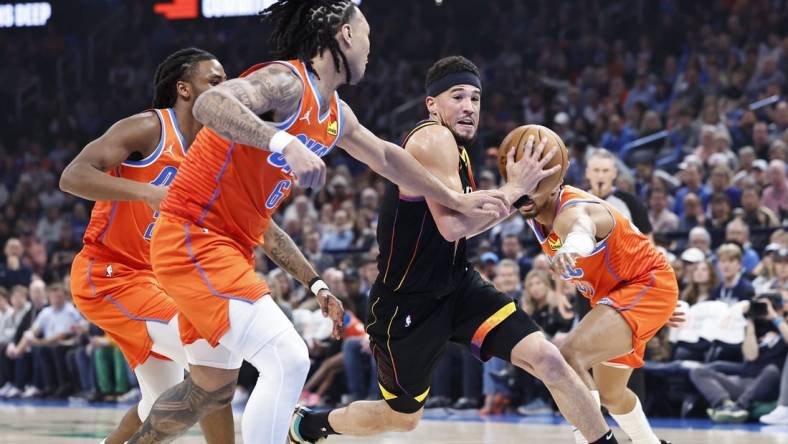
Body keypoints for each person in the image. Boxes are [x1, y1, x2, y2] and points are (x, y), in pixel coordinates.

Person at [128, 3, 508, 444]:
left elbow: (387, 157)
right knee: (287, 357)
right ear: (345, 35)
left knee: (207, 390)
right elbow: (213, 102)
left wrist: (453, 200)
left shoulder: (335, 114)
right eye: (366, 35)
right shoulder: (286, 82)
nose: (371, 48)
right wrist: (282, 141)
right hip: (193, 237)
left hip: (229, 246)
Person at [290, 56, 618, 444]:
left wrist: (519, 196)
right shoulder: (432, 139)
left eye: (476, 99)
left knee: (548, 358)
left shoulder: (460, 151)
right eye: (457, 96)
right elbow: (452, 227)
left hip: (458, 285)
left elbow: (462, 225)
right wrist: (515, 189)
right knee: (401, 418)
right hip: (405, 304)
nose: (468, 107)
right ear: (432, 104)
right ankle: (310, 425)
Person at [59, 48, 235, 444]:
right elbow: (72, 177)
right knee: (211, 359)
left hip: (155, 280)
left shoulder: (210, 151)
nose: (225, 89)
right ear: (184, 89)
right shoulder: (148, 128)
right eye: (215, 81)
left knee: (156, 405)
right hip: (109, 275)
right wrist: (145, 193)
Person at [522, 151, 681, 443]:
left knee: (569, 356)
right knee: (611, 394)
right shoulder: (531, 207)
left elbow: (582, 228)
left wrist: (571, 248)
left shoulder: (573, 208)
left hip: (643, 285)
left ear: (555, 183)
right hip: (615, 295)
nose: (525, 190)